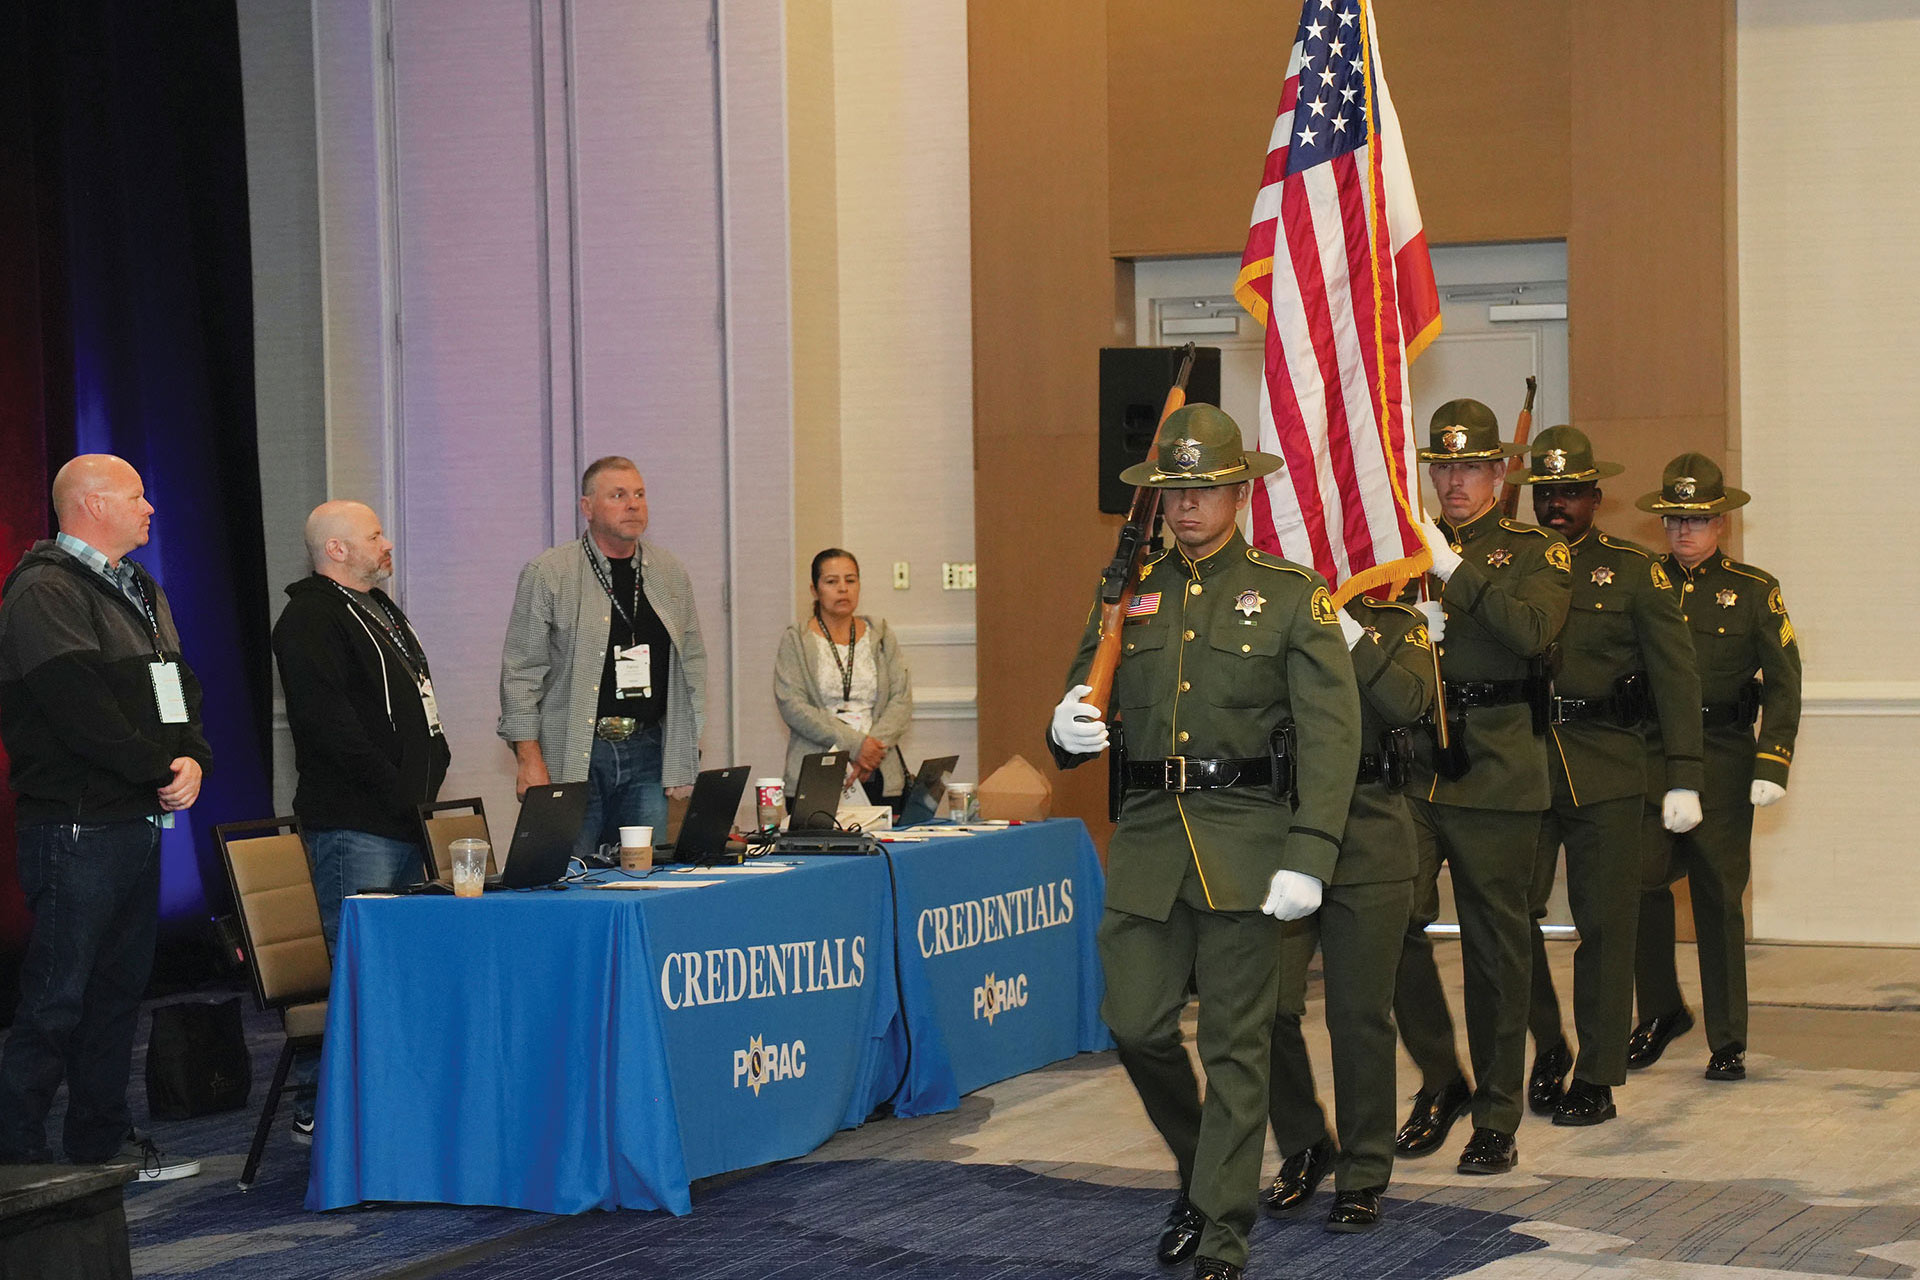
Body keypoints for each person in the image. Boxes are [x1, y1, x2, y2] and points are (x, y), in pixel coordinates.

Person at [1048, 404, 1360, 1280]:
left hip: (1248, 845)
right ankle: (1203, 1170)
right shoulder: (1130, 589)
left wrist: (1312, 851)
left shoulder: (1291, 592)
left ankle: (1223, 1229)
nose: (1187, 507)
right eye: (1174, 491)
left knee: (1235, 1047)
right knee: (1134, 1025)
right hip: (1148, 839)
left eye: (1205, 490)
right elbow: (1086, 685)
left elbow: (1333, 736)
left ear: (1239, 491)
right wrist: (1065, 724)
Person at [0, 454, 207, 1180]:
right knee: (56, 999)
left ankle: (102, 1145)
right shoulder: (43, 588)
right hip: (76, 827)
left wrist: (192, 756)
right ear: (91, 503)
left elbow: (174, 685)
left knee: (116, 996)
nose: (151, 507)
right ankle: (16, 1161)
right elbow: (79, 710)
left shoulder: (140, 587)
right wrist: (158, 767)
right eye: (136, 495)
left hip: (131, 822)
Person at [1391, 399, 1571, 1176]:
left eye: (1470, 468)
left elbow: (1533, 632)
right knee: (1386, 920)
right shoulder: (1400, 550)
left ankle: (1498, 1112)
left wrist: (1452, 571)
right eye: (1443, 468)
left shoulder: (1538, 551)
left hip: (1497, 768)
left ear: (1501, 472)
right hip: (1416, 767)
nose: (1454, 482)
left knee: (1497, 950)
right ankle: (1442, 1076)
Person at [1510, 427, 1703, 1126]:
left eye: (1570, 492)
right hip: (1522, 766)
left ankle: (1596, 1074)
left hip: (1609, 766)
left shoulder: (1633, 571)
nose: (1556, 504)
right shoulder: (1509, 564)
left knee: (1605, 926)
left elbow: (1677, 679)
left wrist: (1683, 775)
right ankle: (1549, 1045)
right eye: (1545, 491)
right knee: (1508, 918)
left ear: (1597, 496)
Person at [1262, 593, 1436, 1233]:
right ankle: (1306, 1142)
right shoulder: (1267, 610)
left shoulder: (1395, 624)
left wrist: (1352, 632)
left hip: (1369, 831)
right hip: (1283, 826)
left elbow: (1411, 703)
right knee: (1267, 1002)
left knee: (1359, 1014)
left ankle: (1364, 1173)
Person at [1625, 453, 1801, 1082]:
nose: (1684, 532)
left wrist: (1772, 759)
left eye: (1697, 520)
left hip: (1725, 755)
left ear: (1721, 522)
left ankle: (1727, 1037)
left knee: (1717, 898)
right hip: (1651, 752)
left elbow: (1784, 682)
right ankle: (1661, 1011)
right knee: (1640, 885)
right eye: (1674, 519)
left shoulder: (1755, 590)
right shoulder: (1639, 581)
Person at [499, 457, 707, 861]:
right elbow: (520, 674)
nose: (633, 504)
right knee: (570, 874)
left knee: (642, 875)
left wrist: (686, 748)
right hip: (575, 751)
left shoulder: (669, 573)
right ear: (587, 507)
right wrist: (528, 759)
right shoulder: (549, 573)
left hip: (648, 750)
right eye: (618, 495)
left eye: (640, 495)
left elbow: (692, 664)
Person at [272, 500, 450, 949]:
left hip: (404, 816)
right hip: (354, 825)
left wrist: (432, 765)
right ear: (336, 548)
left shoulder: (380, 608)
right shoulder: (310, 618)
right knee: (363, 958)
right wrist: (396, 788)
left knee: (402, 956)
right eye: (374, 537)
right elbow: (329, 727)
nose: (387, 544)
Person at [773, 549, 913, 809]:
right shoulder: (796, 639)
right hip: (817, 767)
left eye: (850, 580)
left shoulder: (880, 635)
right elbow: (792, 705)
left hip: (877, 769)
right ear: (815, 590)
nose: (842, 589)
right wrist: (855, 745)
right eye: (831, 581)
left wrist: (869, 753)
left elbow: (901, 699)